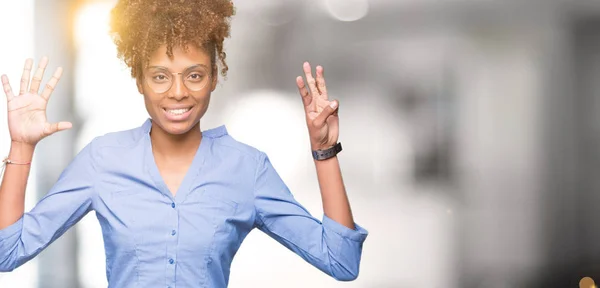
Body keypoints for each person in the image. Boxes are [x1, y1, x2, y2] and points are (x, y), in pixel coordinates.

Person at [0, 0, 368, 287]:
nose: (178, 92)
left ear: (213, 78)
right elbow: (7, 252)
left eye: (194, 75)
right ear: (139, 80)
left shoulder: (246, 168)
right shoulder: (103, 159)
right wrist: (20, 147)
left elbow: (340, 261)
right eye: (160, 76)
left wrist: (325, 152)